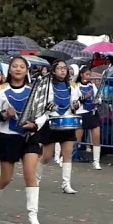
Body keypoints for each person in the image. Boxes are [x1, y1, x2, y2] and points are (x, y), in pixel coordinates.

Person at [0, 55, 44, 224]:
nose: (18, 69)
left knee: (30, 175)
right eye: (15, 66)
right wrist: (4, 114)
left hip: (29, 137)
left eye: (22, 67)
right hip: (8, 137)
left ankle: (33, 215)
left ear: (27, 71)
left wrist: (35, 125)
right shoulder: (1, 90)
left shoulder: (34, 90)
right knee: (5, 178)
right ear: (10, 70)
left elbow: (43, 114)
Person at [38, 60, 80, 194]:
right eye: (59, 68)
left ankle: (66, 184)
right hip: (51, 121)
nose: (63, 70)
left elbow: (75, 103)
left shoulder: (72, 86)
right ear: (54, 70)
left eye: (65, 68)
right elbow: (42, 103)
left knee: (67, 153)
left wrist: (75, 106)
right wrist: (51, 110)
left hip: (67, 122)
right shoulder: (47, 85)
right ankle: (35, 178)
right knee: (47, 156)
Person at [74, 67, 102, 170]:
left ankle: (96, 162)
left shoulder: (92, 86)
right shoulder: (76, 86)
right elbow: (74, 103)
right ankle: (67, 157)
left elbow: (99, 98)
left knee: (96, 136)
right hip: (81, 113)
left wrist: (97, 101)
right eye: (86, 74)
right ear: (81, 75)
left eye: (89, 74)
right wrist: (85, 97)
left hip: (93, 113)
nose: (88, 76)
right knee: (77, 138)